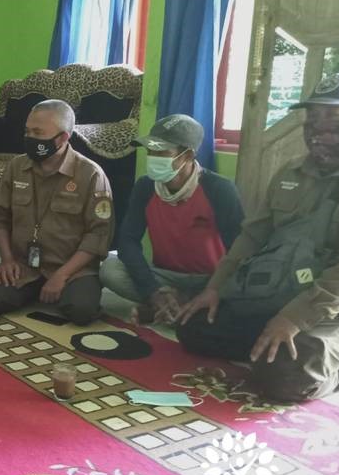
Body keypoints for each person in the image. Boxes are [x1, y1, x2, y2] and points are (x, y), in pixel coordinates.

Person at [178, 71, 339, 402]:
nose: (320, 126)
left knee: (284, 377)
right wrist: (215, 288)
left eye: (336, 116)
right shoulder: (291, 171)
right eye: (314, 116)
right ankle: (273, 348)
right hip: (278, 293)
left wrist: (293, 319)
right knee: (193, 327)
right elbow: (252, 236)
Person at [100, 114, 244, 324]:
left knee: (242, 285)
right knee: (110, 270)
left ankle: (172, 307)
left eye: (162, 152)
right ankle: (174, 305)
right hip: (165, 277)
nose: (152, 157)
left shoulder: (219, 189)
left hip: (209, 279)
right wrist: (153, 291)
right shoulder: (145, 187)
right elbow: (127, 241)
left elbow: (238, 250)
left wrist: (214, 287)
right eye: (150, 151)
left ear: (188, 155)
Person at [0, 100, 113, 325]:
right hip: (25, 265)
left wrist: (61, 275)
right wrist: (7, 259)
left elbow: (98, 235)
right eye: (27, 131)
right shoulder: (16, 167)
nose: (30, 138)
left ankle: (62, 289)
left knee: (81, 310)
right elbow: (0, 217)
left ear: (62, 138)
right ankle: (35, 288)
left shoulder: (90, 174)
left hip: (72, 268)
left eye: (38, 132)